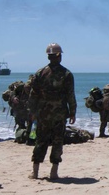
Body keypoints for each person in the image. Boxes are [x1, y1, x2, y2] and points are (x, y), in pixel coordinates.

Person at [28, 43, 76, 180]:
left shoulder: (40, 73)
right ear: (59, 56)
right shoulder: (67, 74)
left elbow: (33, 95)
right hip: (59, 114)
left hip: (43, 114)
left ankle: (35, 172)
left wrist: (32, 112)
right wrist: (72, 111)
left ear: (48, 56)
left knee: (41, 141)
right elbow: (70, 95)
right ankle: (54, 172)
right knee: (57, 141)